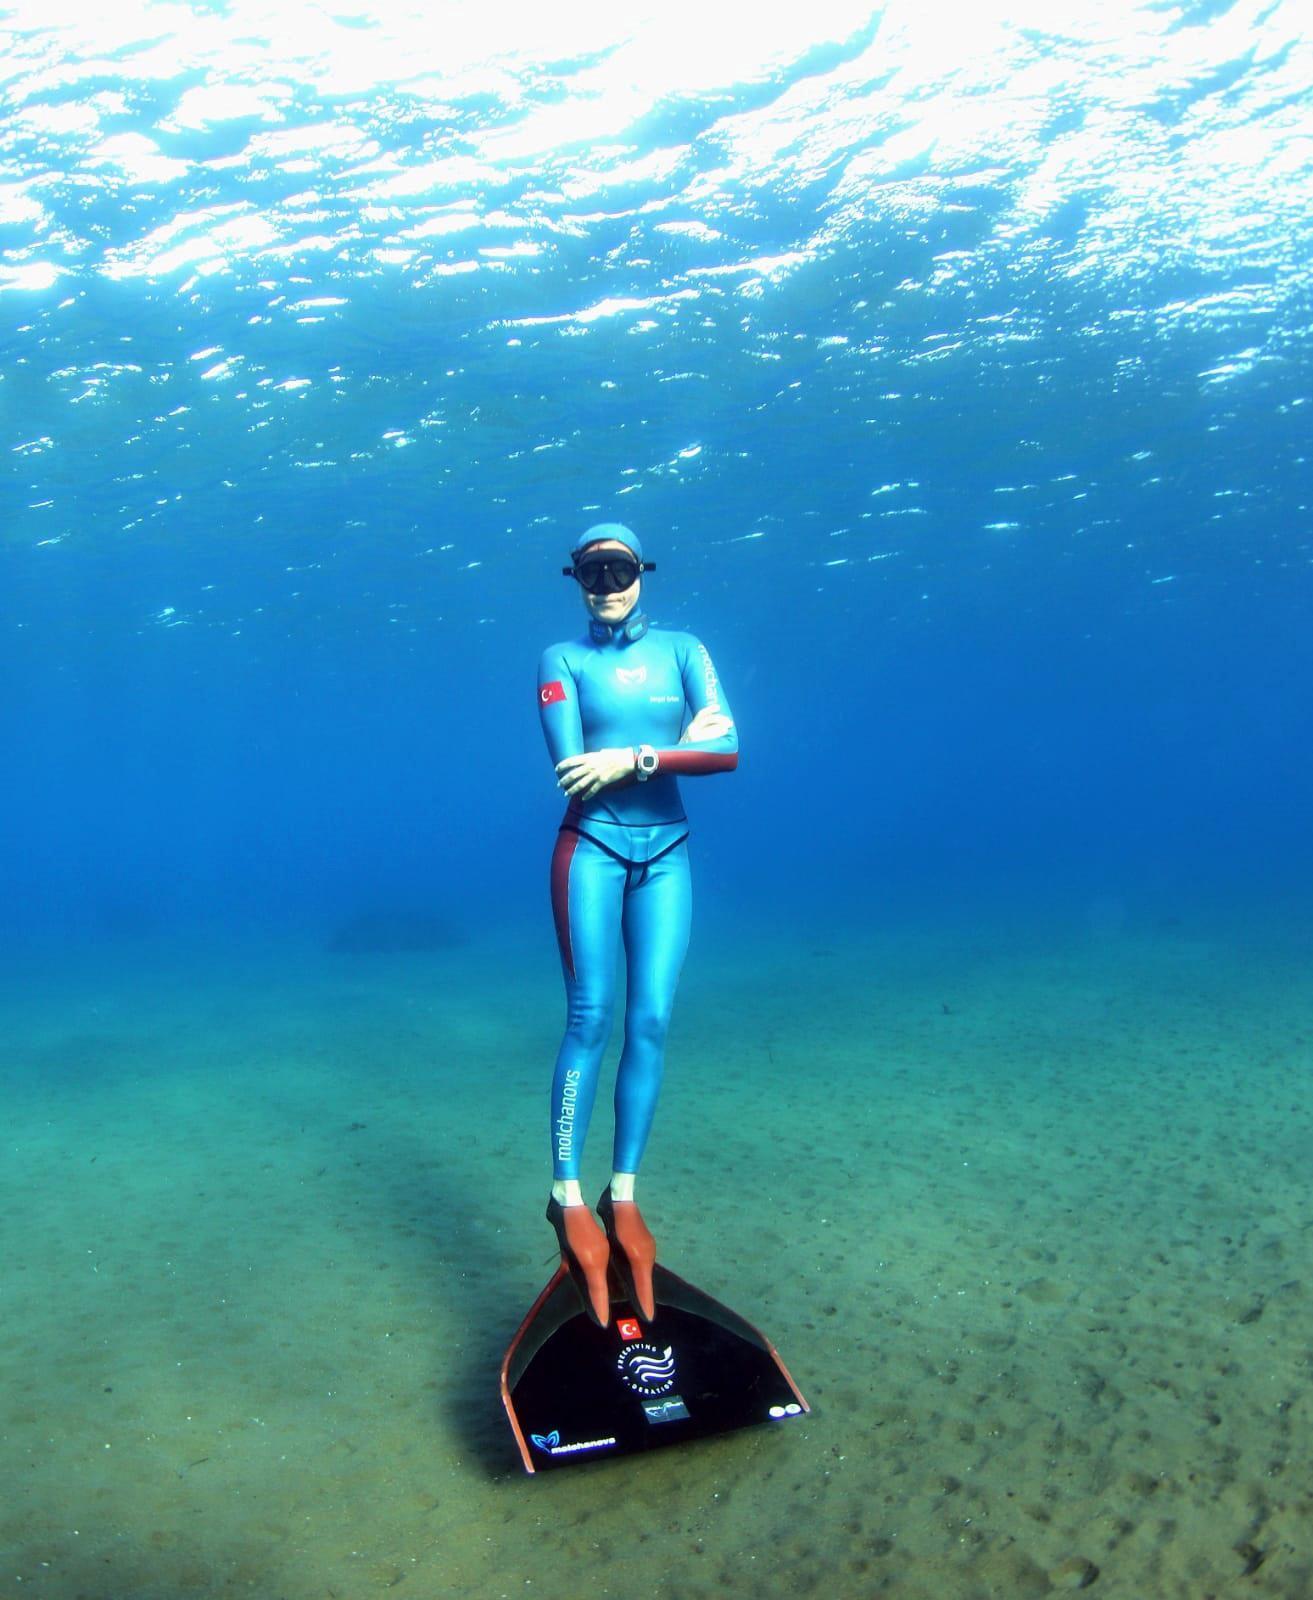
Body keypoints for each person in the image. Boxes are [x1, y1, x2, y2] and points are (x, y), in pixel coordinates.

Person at [537, 524, 738, 1326]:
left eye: (618, 570)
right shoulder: (560, 660)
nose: (606, 586)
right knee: (589, 1016)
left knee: (650, 1020)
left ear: (642, 573)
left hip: (668, 856)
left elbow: (730, 749)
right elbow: (572, 770)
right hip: (589, 849)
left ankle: (622, 1193)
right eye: (590, 573)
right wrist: (674, 746)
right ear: (575, 580)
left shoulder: (685, 651)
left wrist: (635, 757)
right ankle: (565, 1195)